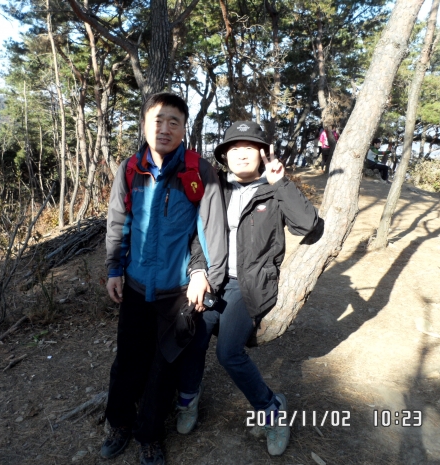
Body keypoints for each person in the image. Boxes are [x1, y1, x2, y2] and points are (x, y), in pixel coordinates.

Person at [176, 121, 320, 456]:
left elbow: (308, 225)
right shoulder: (216, 190)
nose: (241, 154)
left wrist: (280, 181)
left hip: (249, 284)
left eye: (249, 147)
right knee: (192, 337)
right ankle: (187, 399)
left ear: (262, 154)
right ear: (225, 156)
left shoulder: (272, 189)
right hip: (213, 280)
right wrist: (198, 271)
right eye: (234, 148)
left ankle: (272, 410)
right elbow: (198, 234)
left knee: (228, 353)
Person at [102, 92, 227, 465]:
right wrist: (114, 269)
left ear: (184, 128)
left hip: (177, 291)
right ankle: (119, 423)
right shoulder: (130, 169)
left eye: (174, 121)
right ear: (144, 124)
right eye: (158, 120)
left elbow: (209, 231)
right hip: (136, 285)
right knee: (128, 360)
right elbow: (119, 221)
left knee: (164, 365)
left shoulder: (198, 171)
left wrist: (204, 275)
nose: (165, 128)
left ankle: (150, 435)